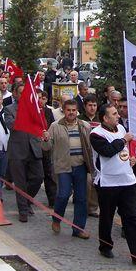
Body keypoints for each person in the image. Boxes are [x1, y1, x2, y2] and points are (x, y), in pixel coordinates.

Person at [90, 104, 136, 264]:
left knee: (131, 217)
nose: (118, 116)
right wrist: (124, 140)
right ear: (105, 118)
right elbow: (108, 151)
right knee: (107, 217)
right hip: (108, 183)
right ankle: (105, 246)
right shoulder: (96, 134)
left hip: (127, 181)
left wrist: (132, 157)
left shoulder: (121, 129)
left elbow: (125, 150)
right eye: (114, 114)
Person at [42, 98, 94, 238]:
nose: (71, 113)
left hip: (80, 166)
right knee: (63, 195)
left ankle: (78, 229)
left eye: (73, 110)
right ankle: (57, 219)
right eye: (68, 110)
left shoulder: (85, 126)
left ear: (77, 111)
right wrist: (45, 139)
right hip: (63, 166)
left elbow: (90, 146)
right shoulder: (55, 126)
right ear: (64, 111)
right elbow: (46, 147)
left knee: (81, 198)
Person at [5, 83, 44, 222]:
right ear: (15, 94)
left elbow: (41, 124)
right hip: (17, 150)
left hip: (34, 148)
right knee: (20, 182)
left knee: (38, 177)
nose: (24, 96)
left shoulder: (35, 109)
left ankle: (27, 201)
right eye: (21, 93)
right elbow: (12, 125)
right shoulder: (9, 109)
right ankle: (23, 210)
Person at [37, 89, 57, 207]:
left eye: (42, 98)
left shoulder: (48, 112)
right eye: (37, 98)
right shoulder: (30, 111)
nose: (40, 100)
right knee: (37, 176)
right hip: (34, 148)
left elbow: (52, 126)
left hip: (46, 147)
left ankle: (53, 200)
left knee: (49, 174)